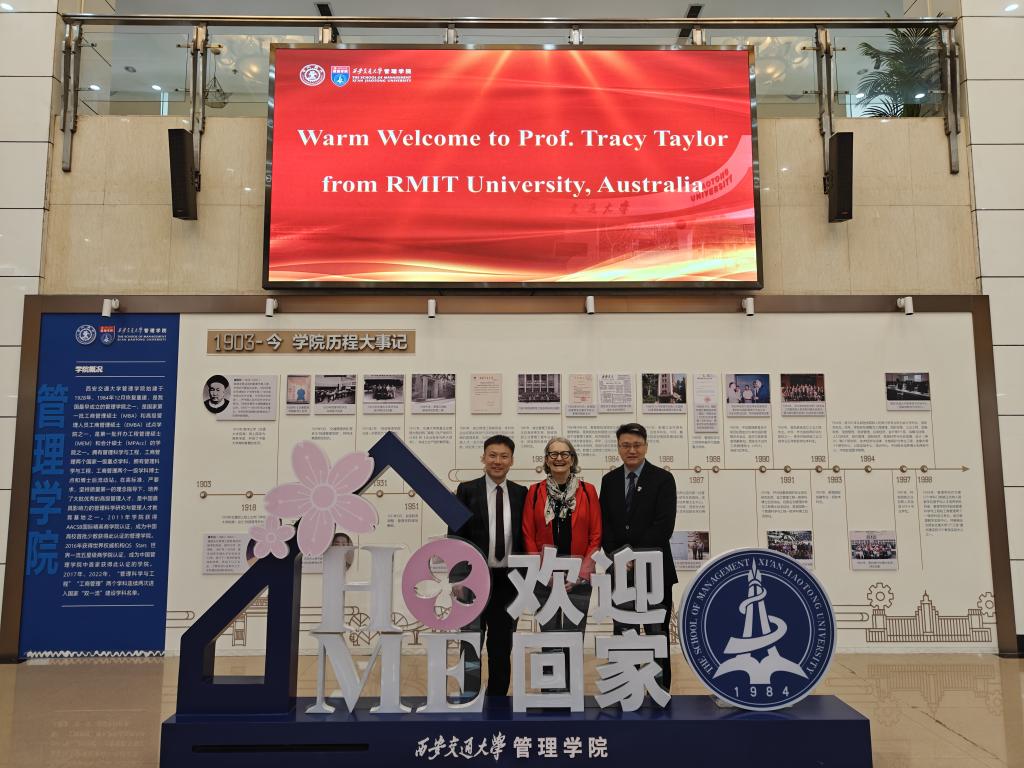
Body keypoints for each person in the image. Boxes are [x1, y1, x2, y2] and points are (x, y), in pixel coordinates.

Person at [599, 423, 677, 691]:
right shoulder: (609, 481)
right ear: (618, 447)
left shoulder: (663, 479)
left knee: (657, 633)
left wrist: (635, 555)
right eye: (625, 445)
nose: (631, 450)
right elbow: (605, 525)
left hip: (656, 570)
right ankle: (625, 688)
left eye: (637, 445)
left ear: (646, 446)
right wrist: (620, 555)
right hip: (621, 570)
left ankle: (659, 691)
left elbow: (664, 526)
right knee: (624, 632)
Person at [448, 434, 527, 697]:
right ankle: (469, 695)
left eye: (504, 456)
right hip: (473, 579)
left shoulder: (521, 493)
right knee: (471, 642)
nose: (497, 461)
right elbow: (455, 536)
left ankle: (497, 699)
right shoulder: (466, 490)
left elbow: (526, 538)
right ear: (483, 457)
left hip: (508, 581)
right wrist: (457, 579)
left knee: (501, 645)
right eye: (492, 455)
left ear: (512, 461)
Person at [522, 437, 602, 690]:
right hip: (544, 575)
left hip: (578, 576)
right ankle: (551, 690)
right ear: (546, 460)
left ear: (573, 459)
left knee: (574, 635)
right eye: (553, 454)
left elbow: (596, 535)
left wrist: (581, 573)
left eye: (565, 454)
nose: (559, 458)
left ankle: (571, 690)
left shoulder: (588, 491)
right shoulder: (535, 492)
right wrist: (542, 571)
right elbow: (528, 534)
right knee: (549, 636)